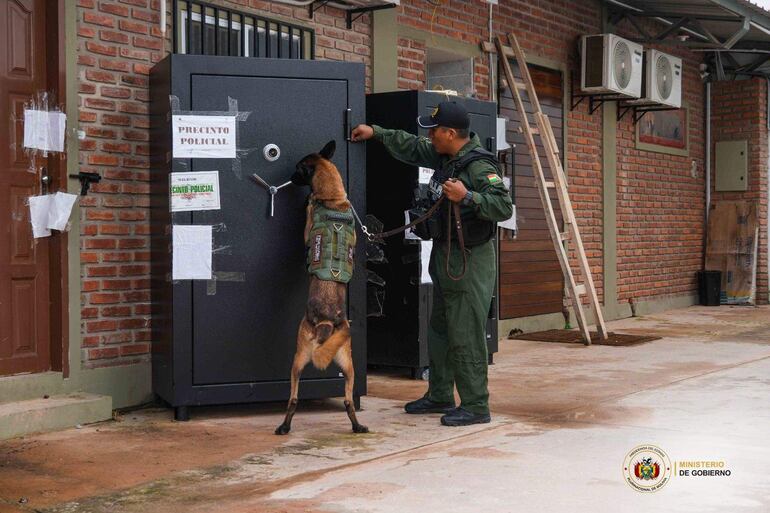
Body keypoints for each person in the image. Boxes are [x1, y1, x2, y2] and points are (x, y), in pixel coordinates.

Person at [350, 101, 513, 426]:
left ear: (450, 133)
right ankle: (439, 394)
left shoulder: (480, 167)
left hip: (470, 260)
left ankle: (476, 405)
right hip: (446, 254)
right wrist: (376, 132)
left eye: (435, 130)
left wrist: (468, 196)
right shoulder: (447, 156)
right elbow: (412, 146)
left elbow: (504, 207)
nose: (430, 135)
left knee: (465, 332)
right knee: (439, 330)